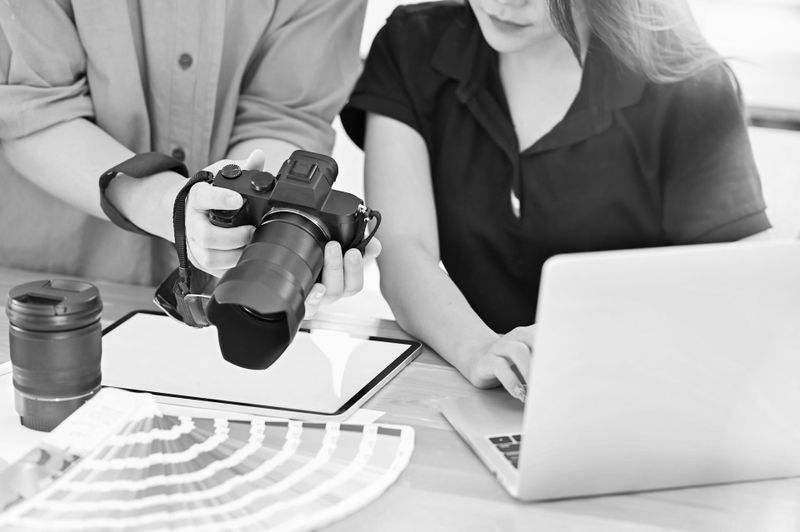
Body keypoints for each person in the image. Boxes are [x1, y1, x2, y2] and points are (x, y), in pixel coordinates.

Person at [341, 0, 772, 400]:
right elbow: (403, 251)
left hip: (645, 394)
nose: (506, 2)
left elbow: (742, 286)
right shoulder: (411, 43)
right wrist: (480, 349)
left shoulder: (688, 82)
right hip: (476, 391)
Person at [0, 0, 377, 316]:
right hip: (52, 293)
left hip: (232, 310)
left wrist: (265, 232)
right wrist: (178, 207)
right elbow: (31, 112)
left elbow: (286, 116)